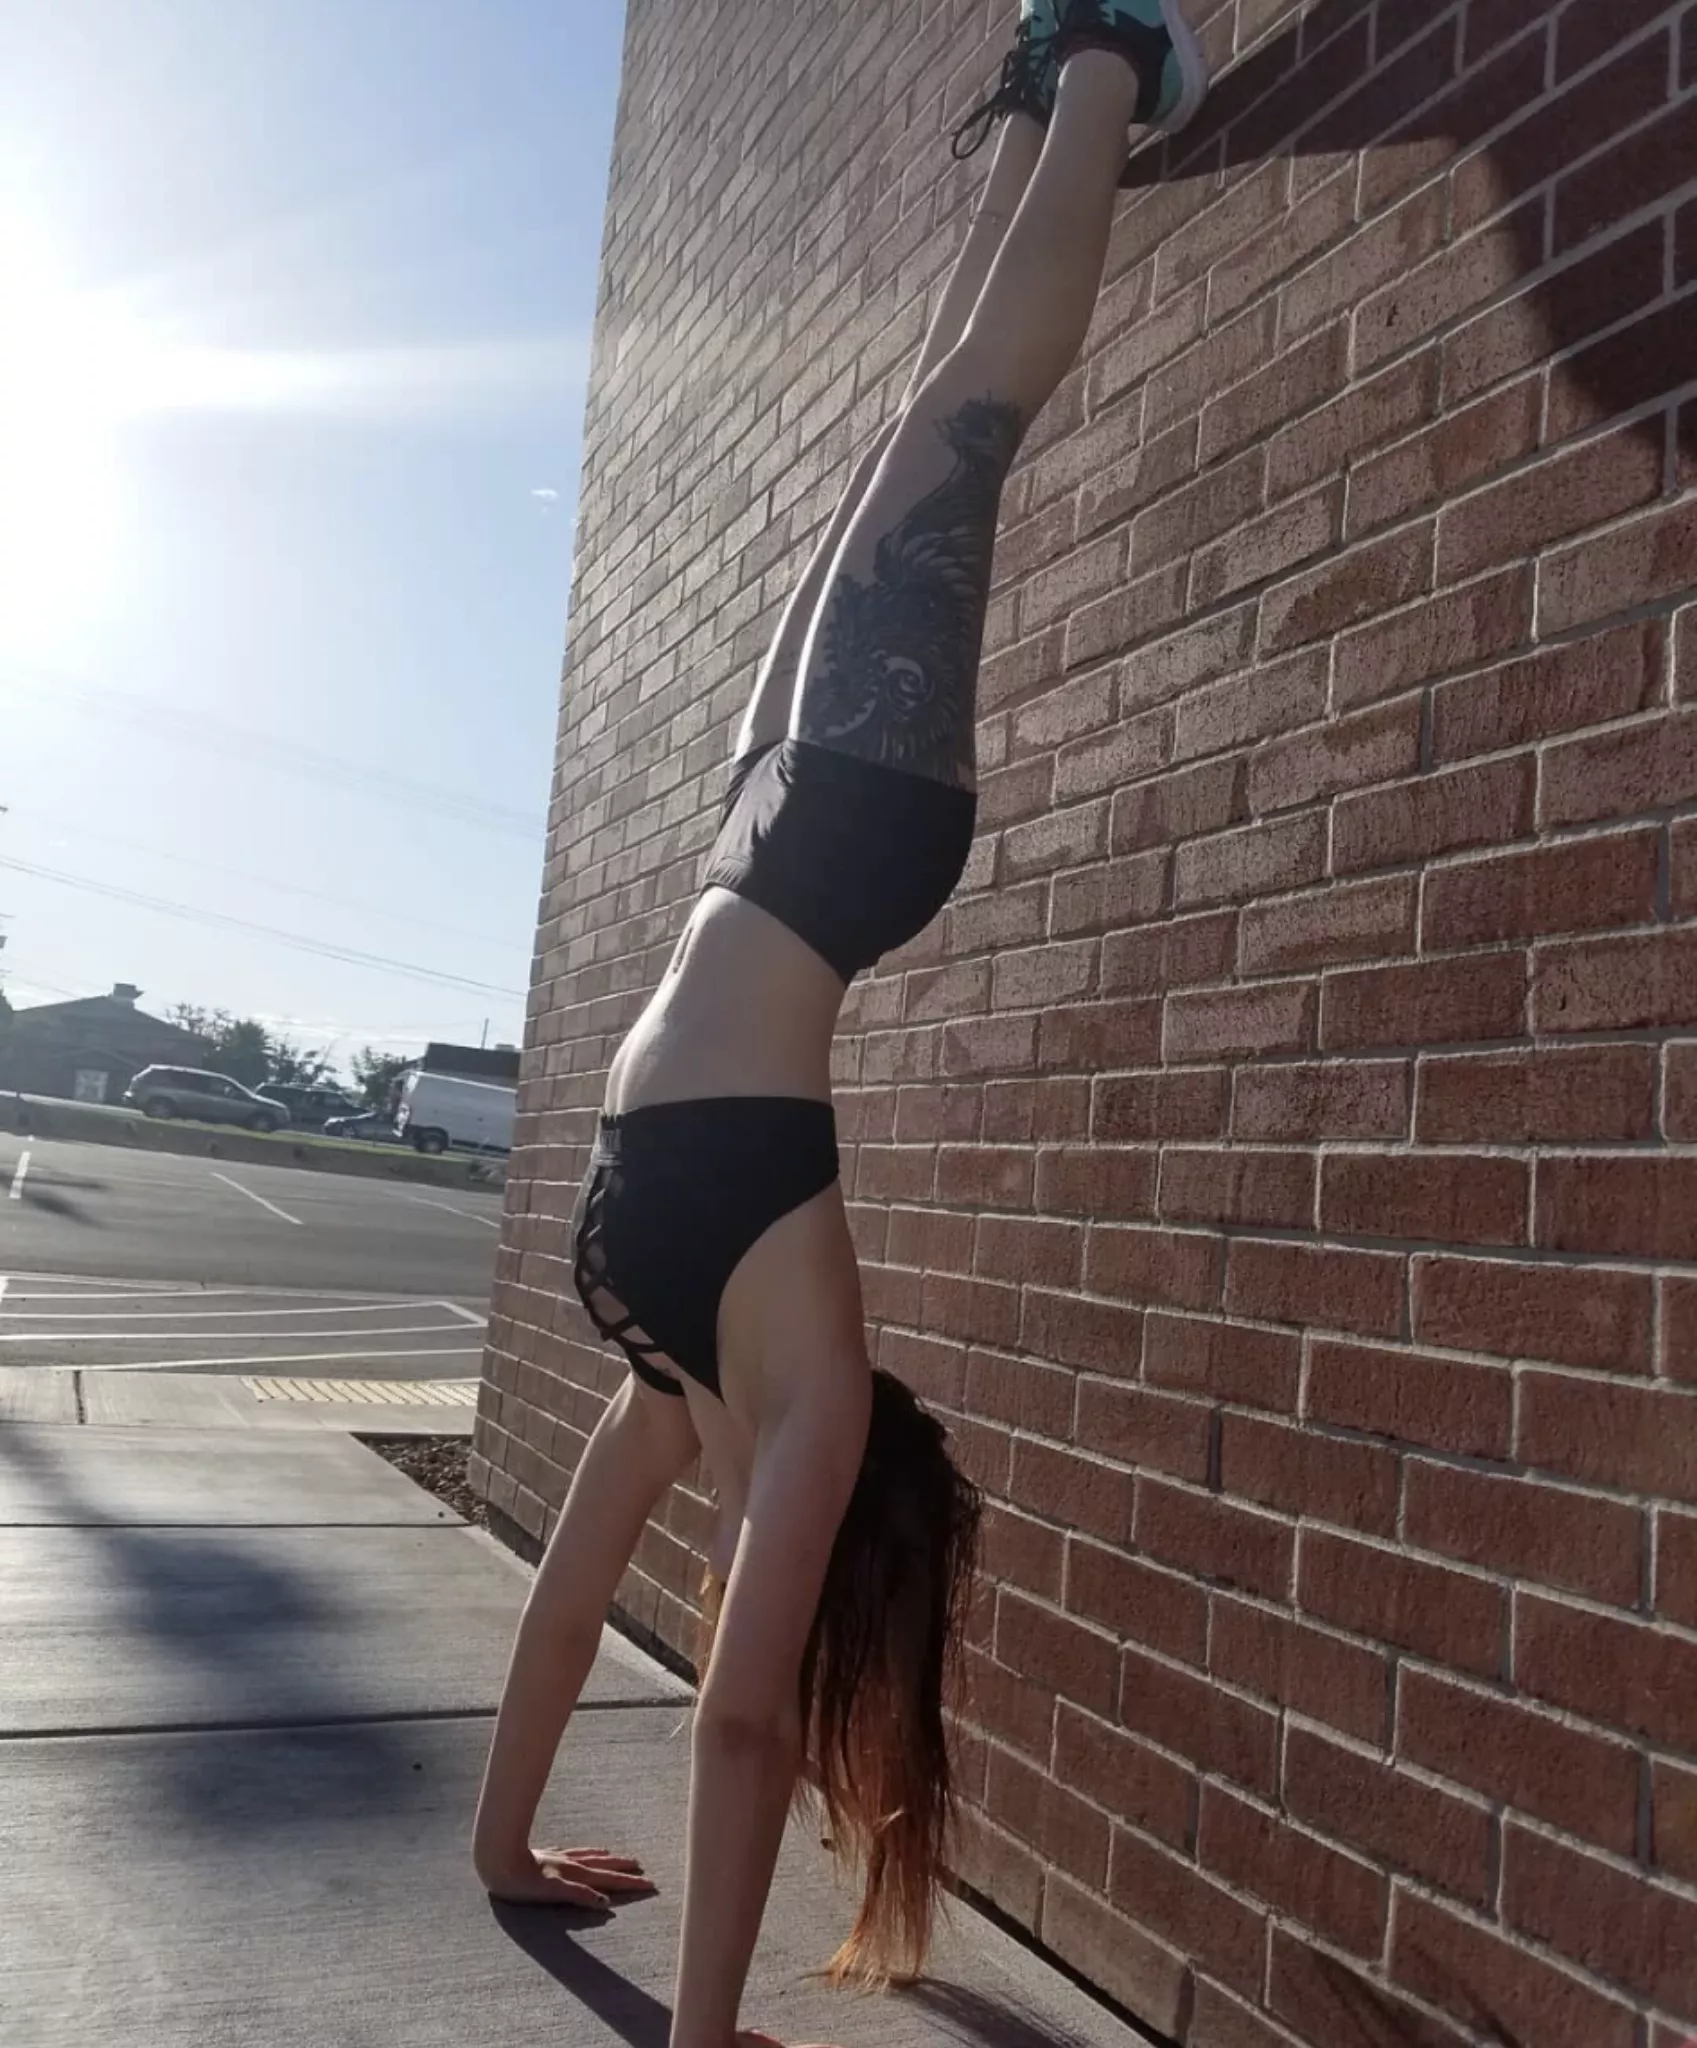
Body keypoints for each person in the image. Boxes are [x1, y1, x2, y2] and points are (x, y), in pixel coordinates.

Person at [471, 6, 1210, 2045]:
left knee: (924, 417)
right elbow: (733, 1724)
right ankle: (1107, 77)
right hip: (841, 837)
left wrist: (504, 1846)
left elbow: (585, 1608)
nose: (751, 1557)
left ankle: (1077, 83)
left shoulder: (690, 1376)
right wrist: (700, 2028)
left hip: (766, 843)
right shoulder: (796, 1391)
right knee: (965, 419)